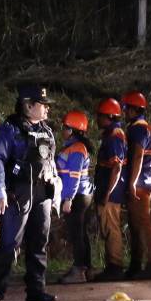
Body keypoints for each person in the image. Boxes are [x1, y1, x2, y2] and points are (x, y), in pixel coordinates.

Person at [0, 84, 61, 301]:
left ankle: (36, 290)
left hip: (42, 192)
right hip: (19, 193)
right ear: (28, 105)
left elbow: (51, 162)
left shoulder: (47, 130)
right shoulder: (11, 128)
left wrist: (56, 187)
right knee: (10, 242)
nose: (47, 109)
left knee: (39, 242)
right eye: (43, 105)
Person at [122, 91, 151, 280]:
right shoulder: (148, 128)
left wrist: (131, 182)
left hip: (139, 183)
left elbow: (138, 155)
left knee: (142, 224)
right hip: (149, 180)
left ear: (133, 109)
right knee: (139, 224)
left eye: (126, 108)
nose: (124, 112)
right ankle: (137, 264)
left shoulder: (137, 129)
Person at [56, 110, 95, 284]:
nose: (62, 130)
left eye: (65, 127)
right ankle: (86, 268)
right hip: (81, 195)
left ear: (72, 130)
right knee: (81, 233)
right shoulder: (74, 147)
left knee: (76, 233)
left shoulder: (77, 149)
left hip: (77, 196)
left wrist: (68, 199)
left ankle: (79, 269)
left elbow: (74, 176)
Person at [92, 98, 128, 282]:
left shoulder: (114, 135)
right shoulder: (112, 134)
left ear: (109, 116)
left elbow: (117, 167)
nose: (97, 119)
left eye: (100, 115)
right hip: (109, 190)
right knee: (109, 228)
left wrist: (107, 193)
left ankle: (115, 266)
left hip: (110, 193)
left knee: (111, 228)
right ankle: (113, 265)